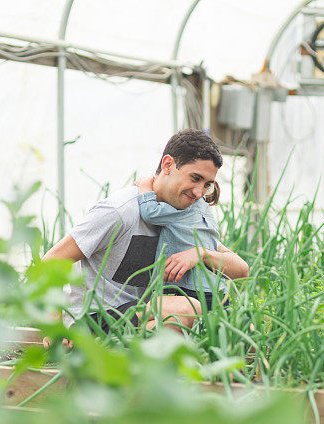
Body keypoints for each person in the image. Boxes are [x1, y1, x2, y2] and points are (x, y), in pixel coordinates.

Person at [43, 129, 248, 334]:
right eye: (195, 178)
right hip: (95, 317)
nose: (198, 193)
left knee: (242, 328)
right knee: (186, 309)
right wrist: (54, 325)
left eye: (207, 185)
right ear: (168, 165)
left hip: (140, 316)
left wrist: (201, 253)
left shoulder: (184, 214)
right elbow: (52, 260)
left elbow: (241, 270)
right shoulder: (121, 210)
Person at [136, 174, 225, 310]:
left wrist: (145, 185)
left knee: (185, 325)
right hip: (216, 288)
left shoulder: (185, 206)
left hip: (194, 288)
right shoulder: (202, 205)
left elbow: (150, 213)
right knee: (211, 329)